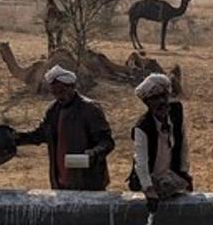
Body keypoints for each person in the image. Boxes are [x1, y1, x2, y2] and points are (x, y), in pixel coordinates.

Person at [14, 65, 114, 191]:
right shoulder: (53, 111)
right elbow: (39, 135)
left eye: (62, 91)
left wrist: (93, 154)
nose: (59, 96)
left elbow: (107, 142)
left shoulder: (90, 109)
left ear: (72, 86)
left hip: (88, 182)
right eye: (55, 92)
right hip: (60, 183)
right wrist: (16, 138)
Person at [129, 73, 193, 204]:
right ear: (148, 103)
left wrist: (184, 171)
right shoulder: (142, 128)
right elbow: (141, 161)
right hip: (152, 177)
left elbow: (183, 143)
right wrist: (148, 189)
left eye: (163, 96)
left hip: (172, 174)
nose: (161, 102)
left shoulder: (176, 112)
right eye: (155, 99)